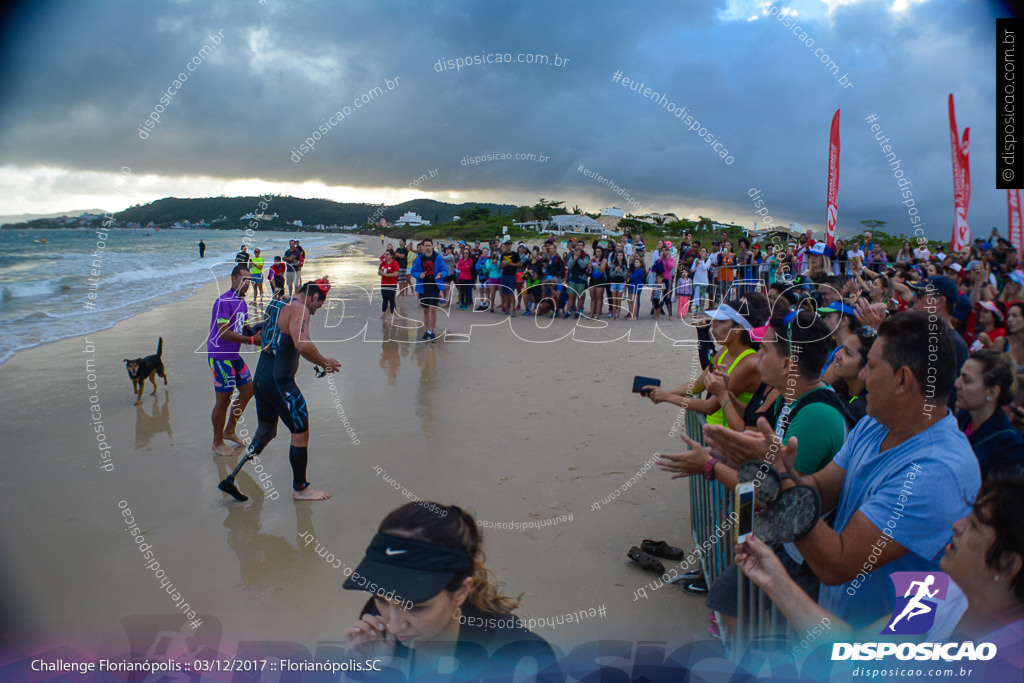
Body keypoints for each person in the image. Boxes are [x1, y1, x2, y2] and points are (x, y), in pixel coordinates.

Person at [704, 311, 981, 629]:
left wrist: (776, 477)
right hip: (833, 627)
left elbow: (839, 561)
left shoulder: (938, 471)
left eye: (872, 366)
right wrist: (773, 467)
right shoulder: (873, 425)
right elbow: (819, 490)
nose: (862, 376)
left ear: (903, 380)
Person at [735, 475, 1024, 674]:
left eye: (975, 524)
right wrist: (774, 579)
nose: (958, 525)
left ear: (1009, 564)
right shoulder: (935, 590)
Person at [343, 502, 561, 681]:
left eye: (416, 607)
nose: (393, 624)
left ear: (460, 592)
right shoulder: (376, 627)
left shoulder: (524, 660)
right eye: (382, 598)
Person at [241, 278, 340, 502]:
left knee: (266, 431)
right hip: (281, 385)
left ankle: (235, 472)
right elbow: (302, 344)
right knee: (300, 432)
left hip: (261, 380)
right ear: (314, 297)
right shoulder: (300, 309)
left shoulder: (276, 303)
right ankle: (300, 489)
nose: (316, 311)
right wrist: (324, 362)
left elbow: (262, 336)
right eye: (319, 305)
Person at [207, 264, 261, 457]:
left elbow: (245, 329)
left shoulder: (242, 303)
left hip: (233, 356)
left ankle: (229, 430)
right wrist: (252, 340)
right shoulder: (224, 301)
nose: (247, 284)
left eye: (250, 281)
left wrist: (263, 331)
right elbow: (223, 333)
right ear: (233, 279)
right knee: (223, 400)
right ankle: (217, 442)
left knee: (248, 391)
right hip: (220, 356)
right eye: (244, 280)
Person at [955, 350, 1024, 478]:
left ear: (992, 392)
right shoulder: (962, 417)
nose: (957, 384)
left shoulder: (1008, 445)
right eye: (960, 377)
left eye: (967, 380)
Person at [410, 238, 448, 342]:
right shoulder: (420, 259)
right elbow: (413, 271)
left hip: (434, 286)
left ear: (432, 246)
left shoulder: (438, 257)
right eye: (425, 246)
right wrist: (419, 275)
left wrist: (441, 274)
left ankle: (432, 331)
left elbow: (445, 270)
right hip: (423, 286)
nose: (427, 247)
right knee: (426, 309)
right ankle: (427, 330)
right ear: (423, 247)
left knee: (433, 308)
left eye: (429, 245)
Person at [379, 249, 399, 319]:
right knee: (384, 299)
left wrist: (384, 274)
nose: (386, 256)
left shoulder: (394, 263)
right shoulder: (383, 263)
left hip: (392, 284)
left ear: (391, 255)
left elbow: (395, 274)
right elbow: (379, 271)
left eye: (387, 254)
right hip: (384, 284)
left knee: (391, 299)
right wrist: (381, 273)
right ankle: (383, 313)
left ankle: (392, 313)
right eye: (385, 254)